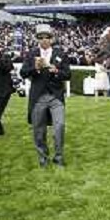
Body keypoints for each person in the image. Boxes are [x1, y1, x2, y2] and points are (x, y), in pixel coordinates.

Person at [20, 24, 71, 167]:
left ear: (51, 39)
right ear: (37, 39)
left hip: (56, 96)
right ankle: (43, 157)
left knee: (59, 126)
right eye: (41, 38)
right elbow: (23, 73)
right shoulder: (31, 54)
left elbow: (68, 75)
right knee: (38, 130)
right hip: (38, 97)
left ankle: (59, 157)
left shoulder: (60, 54)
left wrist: (56, 71)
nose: (44, 40)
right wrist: (34, 68)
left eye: (47, 37)